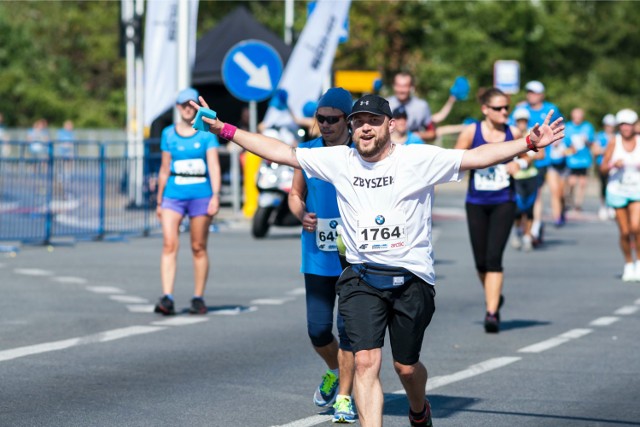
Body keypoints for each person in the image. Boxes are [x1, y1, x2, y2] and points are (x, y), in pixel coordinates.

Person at [191, 93, 564, 427]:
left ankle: (419, 409)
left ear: (391, 125)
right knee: (367, 362)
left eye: (372, 121)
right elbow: (280, 151)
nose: (364, 129)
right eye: (358, 123)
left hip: (411, 277)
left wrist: (528, 143)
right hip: (361, 276)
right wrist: (223, 128)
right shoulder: (339, 159)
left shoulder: (418, 159)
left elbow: (477, 156)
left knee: (405, 367)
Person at [288, 87, 357, 424]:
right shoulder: (308, 152)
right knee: (318, 330)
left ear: (348, 119)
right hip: (317, 252)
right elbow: (295, 195)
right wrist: (301, 214)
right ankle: (334, 369)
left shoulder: (361, 152)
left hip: (356, 256)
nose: (326, 124)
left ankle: (344, 397)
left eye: (333, 119)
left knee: (348, 331)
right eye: (321, 119)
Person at [454, 88, 527, 332]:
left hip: (504, 202)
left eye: (507, 107)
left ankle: (491, 312)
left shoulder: (513, 132)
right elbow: (454, 159)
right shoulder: (471, 132)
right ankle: (493, 294)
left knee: (494, 258)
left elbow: (536, 151)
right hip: (476, 202)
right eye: (498, 108)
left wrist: (520, 162)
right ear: (485, 109)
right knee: (481, 261)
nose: (504, 112)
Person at [154, 88, 222, 315]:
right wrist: (159, 199)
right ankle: (167, 296)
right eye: (183, 105)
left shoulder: (206, 134)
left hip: (200, 194)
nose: (187, 108)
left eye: (191, 105)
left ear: (197, 108)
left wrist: (215, 195)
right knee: (169, 244)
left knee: (198, 246)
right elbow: (164, 168)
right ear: (177, 107)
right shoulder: (168, 134)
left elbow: (213, 165)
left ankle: (198, 297)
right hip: (173, 194)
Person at [513, 80, 563, 243]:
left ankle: (534, 229)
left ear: (541, 94)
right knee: (521, 199)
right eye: (529, 92)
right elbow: (510, 128)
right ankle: (524, 226)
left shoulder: (551, 109)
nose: (531, 95)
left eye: (534, 92)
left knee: (538, 196)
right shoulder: (521, 109)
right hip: (521, 162)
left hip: (540, 161)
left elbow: (562, 127)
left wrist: (557, 141)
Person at [600, 109, 640, 282]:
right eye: (623, 124)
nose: (626, 128)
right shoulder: (613, 142)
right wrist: (612, 165)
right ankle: (628, 263)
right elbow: (602, 168)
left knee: (636, 228)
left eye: (629, 124)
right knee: (624, 231)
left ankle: (639, 261)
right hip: (617, 190)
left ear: (634, 126)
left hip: (637, 190)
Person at [387, 71, 458, 143]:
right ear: (394, 86)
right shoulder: (385, 105)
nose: (401, 90)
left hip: (413, 148)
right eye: (398, 86)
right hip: (389, 148)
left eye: (405, 86)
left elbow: (432, 133)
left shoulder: (421, 106)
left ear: (412, 87)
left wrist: (414, 136)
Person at [511, 107, 544, 252]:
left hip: (530, 176)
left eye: (524, 120)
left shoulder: (533, 134)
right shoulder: (512, 134)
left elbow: (541, 154)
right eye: (519, 121)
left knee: (529, 209)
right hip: (517, 177)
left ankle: (527, 236)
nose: (522, 123)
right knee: (518, 209)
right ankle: (517, 229)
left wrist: (530, 157)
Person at [564, 108, 595, 212]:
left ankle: (578, 203)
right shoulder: (568, 127)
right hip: (572, 159)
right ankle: (570, 198)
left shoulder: (587, 127)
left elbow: (592, 141)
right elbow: (565, 142)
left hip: (584, 159)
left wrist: (586, 140)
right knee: (572, 182)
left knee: (582, 183)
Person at [593, 114, 616, 221]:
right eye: (608, 125)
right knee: (603, 185)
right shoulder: (599, 136)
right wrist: (608, 150)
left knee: (613, 185)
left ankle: (612, 206)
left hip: (615, 165)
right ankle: (603, 206)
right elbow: (596, 151)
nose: (609, 127)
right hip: (602, 164)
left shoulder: (617, 136)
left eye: (611, 125)